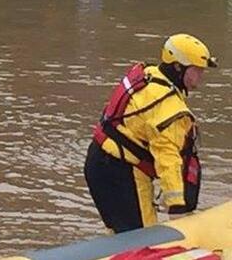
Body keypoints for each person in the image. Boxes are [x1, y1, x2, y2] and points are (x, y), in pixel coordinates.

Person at [84, 33, 217, 233]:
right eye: (197, 70)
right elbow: (168, 158)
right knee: (144, 240)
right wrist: (177, 206)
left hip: (96, 163)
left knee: (121, 233)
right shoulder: (169, 107)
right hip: (122, 172)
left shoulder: (149, 74)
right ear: (178, 67)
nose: (201, 75)